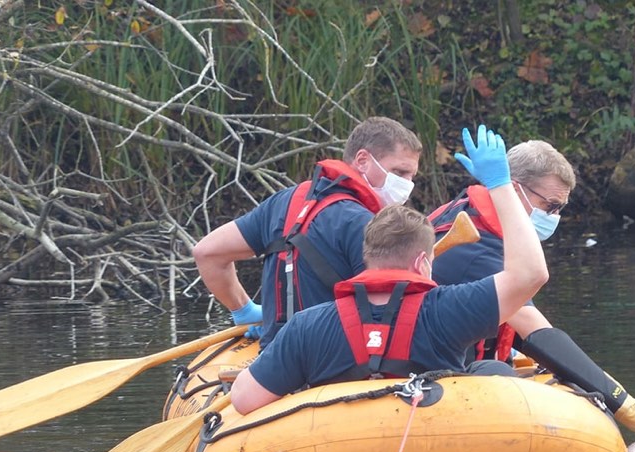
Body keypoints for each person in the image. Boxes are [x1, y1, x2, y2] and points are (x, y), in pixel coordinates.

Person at [230, 124, 549, 414]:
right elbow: (530, 274)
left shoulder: (305, 326)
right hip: (433, 434)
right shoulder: (452, 310)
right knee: (493, 371)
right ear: (423, 262)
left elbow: (243, 399)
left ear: (365, 257)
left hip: (334, 440)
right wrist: (500, 185)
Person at [429, 139, 635, 436]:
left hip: (454, 359)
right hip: (438, 377)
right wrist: (628, 407)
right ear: (514, 189)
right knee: (503, 375)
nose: (554, 217)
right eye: (550, 206)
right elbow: (536, 332)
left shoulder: (464, 212)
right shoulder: (475, 245)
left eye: (560, 209)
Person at [193, 117, 422, 350]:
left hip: (272, 356)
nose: (407, 185)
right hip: (334, 359)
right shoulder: (368, 225)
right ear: (362, 160)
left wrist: (243, 310)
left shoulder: (282, 202)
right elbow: (390, 316)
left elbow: (207, 253)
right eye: (400, 172)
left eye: (411, 177)